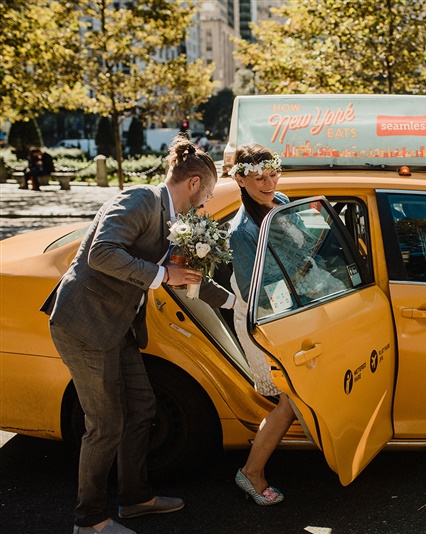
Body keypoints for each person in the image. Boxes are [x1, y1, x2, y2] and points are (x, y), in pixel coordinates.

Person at [40, 136, 235, 534]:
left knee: (143, 407)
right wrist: (162, 274)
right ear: (194, 183)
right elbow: (101, 253)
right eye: (209, 193)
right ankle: (89, 520)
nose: (205, 204)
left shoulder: (174, 221)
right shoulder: (141, 199)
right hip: (84, 324)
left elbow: (186, 277)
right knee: (105, 424)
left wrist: (238, 305)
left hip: (118, 328)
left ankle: (135, 499)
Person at [228, 143, 297, 506]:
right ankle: (251, 473)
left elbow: (306, 247)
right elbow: (263, 291)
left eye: (273, 174)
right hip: (267, 321)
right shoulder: (240, 232)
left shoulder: (282, 200)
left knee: (295, 397)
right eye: (259, 178)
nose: (269, 184)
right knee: (290, 398)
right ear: (240, 179)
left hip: (300, 307)